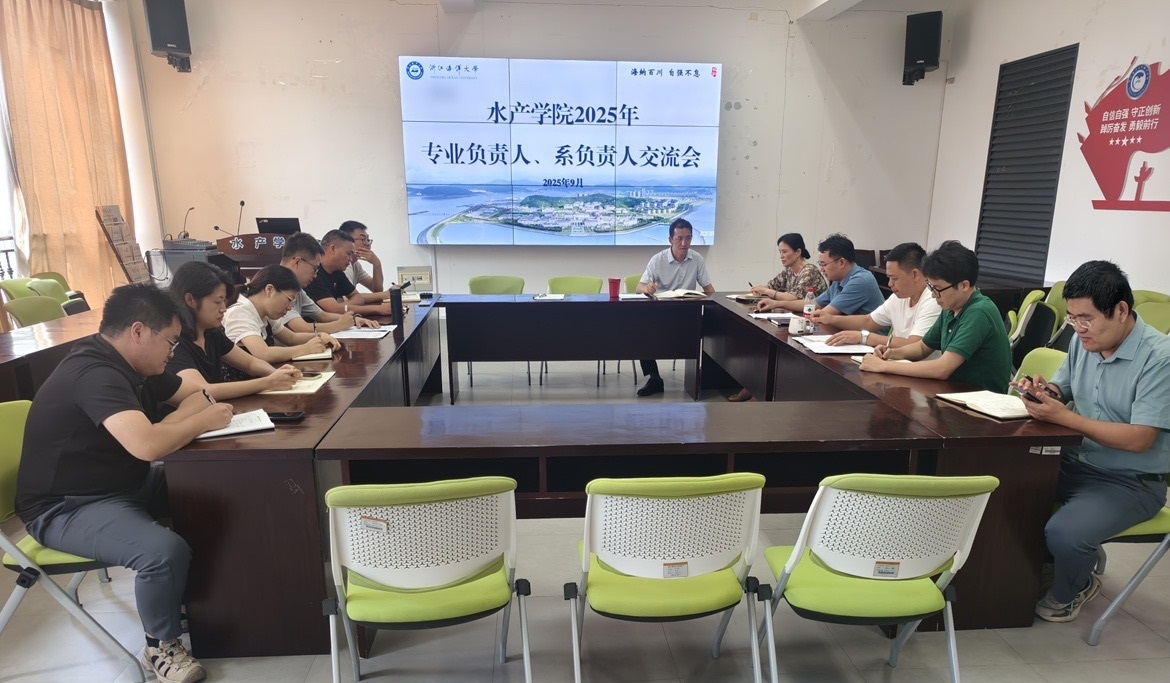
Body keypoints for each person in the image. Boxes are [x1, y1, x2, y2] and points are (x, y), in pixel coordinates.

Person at [16, 283, 234, 683]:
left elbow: (198, 395)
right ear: (138, 331)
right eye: (170, 341)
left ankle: (204, 602)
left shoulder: (136, 365)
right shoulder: (94, 373)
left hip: (124, 483)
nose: (173, 352)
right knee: (163, 552)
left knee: (218, 487)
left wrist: (172, 424)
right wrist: (197, 423)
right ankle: (160, 646)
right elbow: (148, 446)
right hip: (65, 506)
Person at [1016, 260, 1170, 623]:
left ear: (1121, 311)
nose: (1078, 329)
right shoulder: (1083, 342)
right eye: (1072, 318)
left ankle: (1075, 587)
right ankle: (1032, 569)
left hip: (1130, 481)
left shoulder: (1160, 358)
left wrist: (1064, 417)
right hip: (1074, 460)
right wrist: (1044, 393)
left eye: (1086, 319)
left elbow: (1140, 439)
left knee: (1066, 533)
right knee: (1006, 488)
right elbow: (1063, 388)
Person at [858, 240, 1012, 393]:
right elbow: (922, 347)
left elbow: (942, 369)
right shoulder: (950, 307)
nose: (933, 295)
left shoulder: (979, 311)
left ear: (964, 286)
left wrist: (883, 366)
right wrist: (891, 353)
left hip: (981, 399)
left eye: (937, 288)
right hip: (955, 393)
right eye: (931, 287)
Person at [167, 261, 301, 397]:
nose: (223, 309)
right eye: (217, 302)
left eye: (223, 301)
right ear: (190, 300)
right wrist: (268, 382)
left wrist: (276, 373)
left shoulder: (211, 333)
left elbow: (250, 363)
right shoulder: (174, 342)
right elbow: (204, 390)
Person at [635, 218, 715, 396]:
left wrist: (715, 300)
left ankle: (706, 377)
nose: (684, 243)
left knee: (715, 326)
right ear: (670, 239)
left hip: (688, 315)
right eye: (679, 239)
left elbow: (709, 289)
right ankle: (654, 378)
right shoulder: (658, 259)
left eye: (688, 238)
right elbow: (639, 287)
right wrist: (647, 288)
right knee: (641, 329)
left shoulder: (697, 259)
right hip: (661, 314)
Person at [815, 242, 941, 349]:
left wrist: (863, 337)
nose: (890, 284)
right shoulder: (899, 297)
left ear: (915, 274)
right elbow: (869, 321)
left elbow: (913, 344)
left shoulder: (933, 299)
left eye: (894, 278)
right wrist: (831, 319)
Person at [223, 264, 341, 364]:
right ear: (269, 290)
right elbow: (263, 354)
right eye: (290, 299)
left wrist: (319, 335)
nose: (290, 308)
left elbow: (291, 338)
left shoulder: (264, 313)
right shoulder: (240, 312)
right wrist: (306, 349)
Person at [755, 233, 884, 316]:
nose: (821, 269)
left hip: (870, 344)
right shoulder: (839, 281)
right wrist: (776, 304)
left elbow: (823, 315)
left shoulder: (860, 280)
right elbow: (813, 304)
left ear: (841, 262)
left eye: (823, 264)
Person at [277, 232, 380, 333]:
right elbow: (302, 328)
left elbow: (323, 316)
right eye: (314, 269)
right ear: (297, 262)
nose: (315, 275)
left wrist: (354, 319)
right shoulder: (278, 286)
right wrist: (339, 324)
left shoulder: (297, 288)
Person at [304, 230, 395, 317]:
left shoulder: (337, 272)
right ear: (333, 249)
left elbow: (358, 297)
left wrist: (342, 307)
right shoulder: (314, 274)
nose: (350, 259)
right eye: (348, 254)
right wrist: (377, 309)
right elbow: (334, 309)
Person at [749, 233, 826, 304]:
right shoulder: (789, 271)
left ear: (798, 252)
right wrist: (759, 289)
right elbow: (772, 286)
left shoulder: (809, 271)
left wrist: (765, 291)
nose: (781, 256)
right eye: (780, 252)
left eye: (784, 252)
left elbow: (793, 298)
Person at [338, 220, 390, 299]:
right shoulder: (344, 265)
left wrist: (377, 264)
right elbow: (348, 298)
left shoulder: (356, 265)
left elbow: (377, 290)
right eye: (363, 239)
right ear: (347, 240)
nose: (368, 244)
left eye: (368, 240)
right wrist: (385, 294)